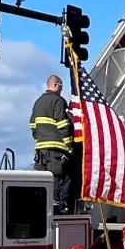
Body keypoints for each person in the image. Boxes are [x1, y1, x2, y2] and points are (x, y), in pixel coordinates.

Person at [30, 75, 74, 213]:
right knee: (60, 180)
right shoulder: (58, 101)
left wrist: (39, 138)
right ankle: (57, 210)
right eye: (61, 87)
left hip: (41, 150)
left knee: (42, 181)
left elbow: (32, 124)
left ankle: (41, 209)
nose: (61, 90)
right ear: (55, 85)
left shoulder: (38, 102)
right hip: (56, 150)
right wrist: (69, 147)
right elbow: (63, 125)